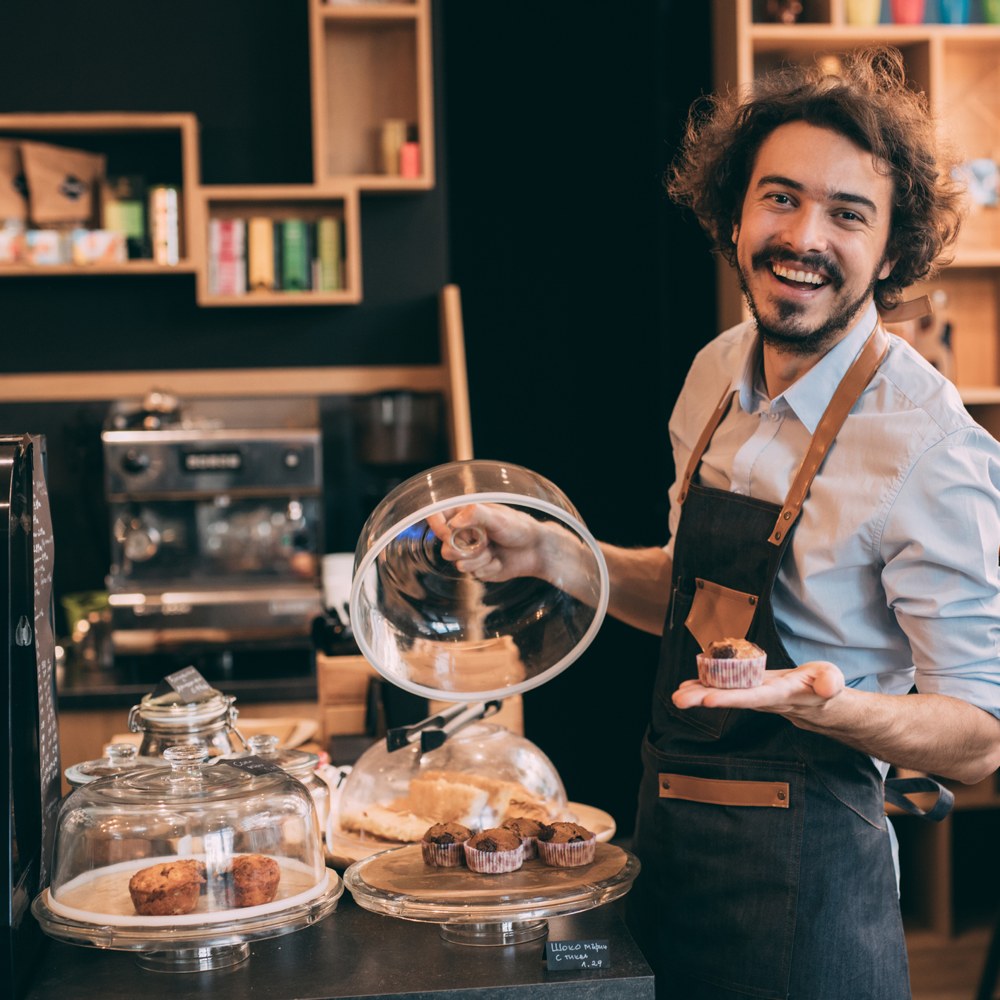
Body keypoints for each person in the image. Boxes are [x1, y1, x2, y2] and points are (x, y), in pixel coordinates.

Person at [431, 46, 1000, 998]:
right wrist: (557, 554)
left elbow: (979, 738)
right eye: (779, 198)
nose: (803, 236)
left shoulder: (931, 446)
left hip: (817, 892)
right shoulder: (714, 376)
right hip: (671, 856)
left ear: (893, 251)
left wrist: (826, 704)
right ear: (734, 212)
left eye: (847, 214)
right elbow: (704, 606)